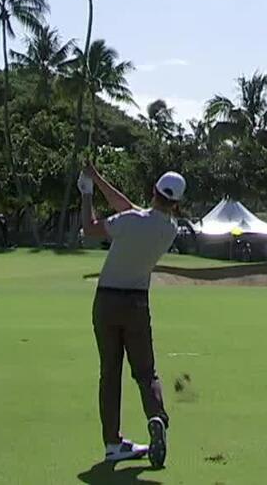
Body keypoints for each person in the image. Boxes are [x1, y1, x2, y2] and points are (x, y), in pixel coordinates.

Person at [80, 162, 184, 469]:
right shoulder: (169, 229)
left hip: (107, 301)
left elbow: (89, 229)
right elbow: (132, 209)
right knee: (146, 372)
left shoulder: (129, 221)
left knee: (109, 374)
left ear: (154, 191)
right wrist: (98, 177)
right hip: (137, 304)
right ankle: (156, 417)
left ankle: (113, 443)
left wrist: (86, 193)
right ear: (176, 203)